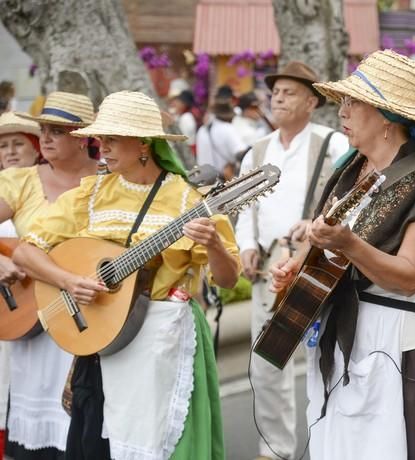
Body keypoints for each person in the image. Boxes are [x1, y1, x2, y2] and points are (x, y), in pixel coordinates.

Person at [270, 49, 415, 460]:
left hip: (399, 340)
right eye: (342, 101)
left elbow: (410, 275)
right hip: (346, 331)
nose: (342, 111)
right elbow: (321, 237)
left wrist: (348, 244)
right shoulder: (349, 168)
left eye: (353, 102)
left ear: (386, 115)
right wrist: (295, 268)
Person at [13, 90, 240, 460]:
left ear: (144, 145)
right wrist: (69, 281)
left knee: (158, 442)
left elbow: (228, 280)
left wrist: (214, 244)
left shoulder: (187, 200)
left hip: (160, 342)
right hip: (103, 336)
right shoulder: (91, 195)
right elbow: (27, 250)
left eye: (113, 138)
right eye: (100, 138)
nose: (101, 146)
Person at [234, 60, 348, 460]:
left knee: (326, 358)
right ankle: (274, 450)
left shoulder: (332, 144)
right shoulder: (256, 151)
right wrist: (246, 245)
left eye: (289, 92)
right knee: (267, 362)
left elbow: (349, 200)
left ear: (312, 101)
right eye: (276, 92)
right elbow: (244, 208)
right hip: (272, 268)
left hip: (316, 266)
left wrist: (314, 222)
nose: (278, 98)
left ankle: (330, 446)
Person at [0, 91, 98, 460]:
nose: (45, 138)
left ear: (83, 136)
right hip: (31, 313)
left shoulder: (109, 181)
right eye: (43, 129)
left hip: (91, 313)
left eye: (57, 130)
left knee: (85, 427)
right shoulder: (20, 181)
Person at [0, 110, 42, 459]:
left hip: (30, 310)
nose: (10, 152)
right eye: (3, 146)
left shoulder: (40, 196)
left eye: (18, 144)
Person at [196, 96, 247, 173]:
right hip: (224, 178)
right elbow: (240, 152)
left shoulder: (202, 130)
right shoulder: (227, 128)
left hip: (204, 178)